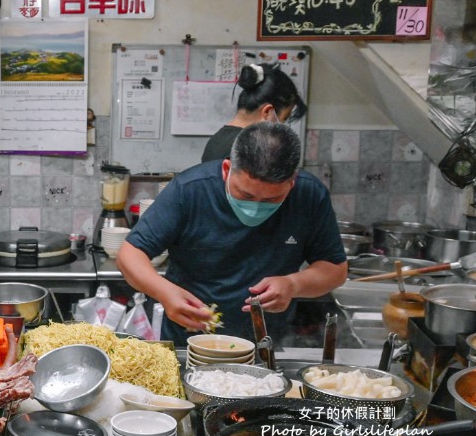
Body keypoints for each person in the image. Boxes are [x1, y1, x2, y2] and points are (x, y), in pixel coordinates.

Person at [117, 122, 347, 345]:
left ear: (292, 182)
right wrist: (165, 292)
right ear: (227, 170)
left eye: (271, 199)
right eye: (245, 195)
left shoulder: (310, 195)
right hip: (190, 339)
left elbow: (334, 269)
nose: (256, 207)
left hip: (267, 342)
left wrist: (293, 284)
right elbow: (130, 254)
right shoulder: (191, 190)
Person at [200, 63, 307, 163]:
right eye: (284, 118)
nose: (282, 126)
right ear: (267, 112)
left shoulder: (216, 141)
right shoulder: (252, 148)